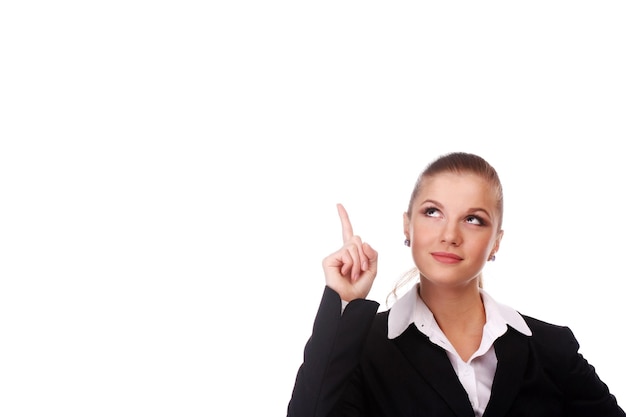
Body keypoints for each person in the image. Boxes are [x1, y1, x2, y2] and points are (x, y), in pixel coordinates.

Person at [286, 152, 625, 417]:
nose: (449, 235)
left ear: (496, 242)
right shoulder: (359, 347)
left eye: (473, 219)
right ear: (407, 227)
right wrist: (343, 303)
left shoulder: (552, 349)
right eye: (433, 212)